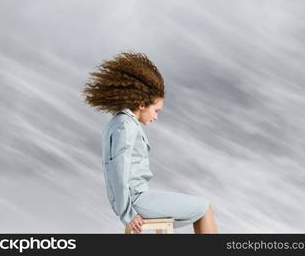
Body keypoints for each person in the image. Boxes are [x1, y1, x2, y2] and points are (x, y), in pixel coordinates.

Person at [82, 51, 218, 234]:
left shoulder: (117, 122)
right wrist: (127, 214)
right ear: (141, 104)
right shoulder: (125, 126)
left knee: (198, 209)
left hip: (135, 200)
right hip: (138, 200)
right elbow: (118, 173)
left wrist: (124, 211)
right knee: (204, 208)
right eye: (156, 110)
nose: (156, 117)